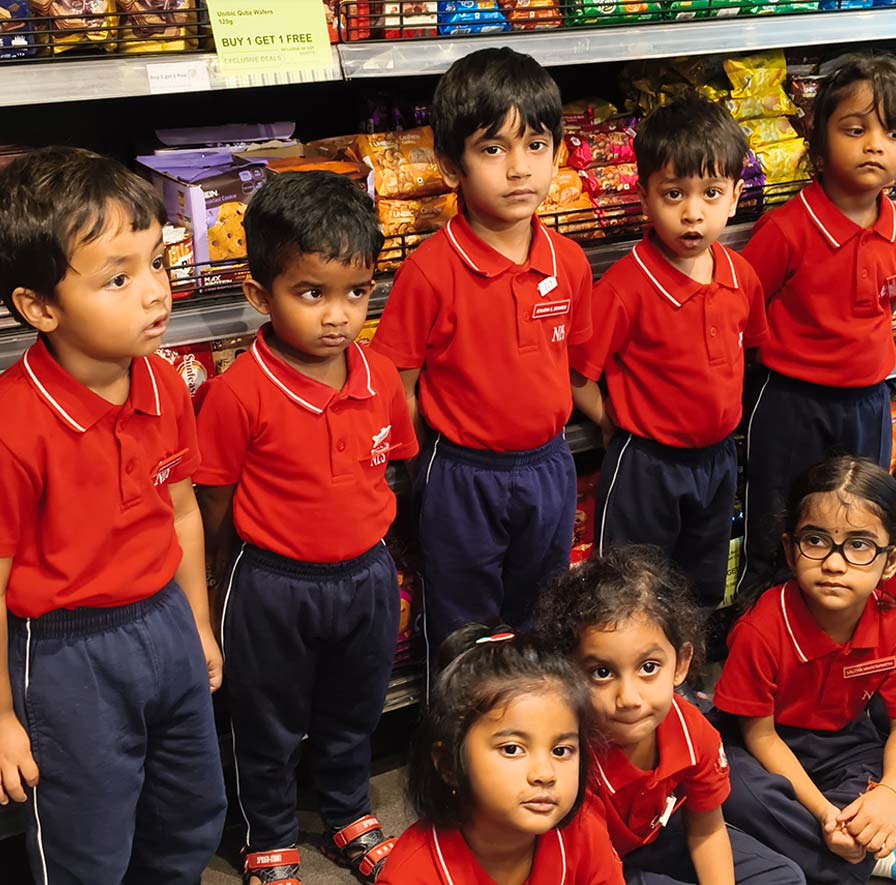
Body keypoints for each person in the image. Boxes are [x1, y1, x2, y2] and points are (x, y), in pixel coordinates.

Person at [0, 146, 225, 884]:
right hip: (66, 657)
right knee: (86, 837)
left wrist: (198, 624)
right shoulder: (5, 427)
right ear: (40, 307)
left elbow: (181, 511)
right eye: (118, 278)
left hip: (165, 623)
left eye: (157, 262)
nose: (154, 293)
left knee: (188, 811)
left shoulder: (165, 383)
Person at [195, 172, 417, 885]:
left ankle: (349, 811)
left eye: (357, 292)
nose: (338, 316)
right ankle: (268, 831)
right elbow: (215, 499)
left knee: (355, 708)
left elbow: (389, 470)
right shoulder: (238, 393)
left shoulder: (380, 376)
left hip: (365, 576)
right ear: (260, 294)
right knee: (267, 721)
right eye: (312, 293)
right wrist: (223, 576)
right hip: (273, 583)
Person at [370, 46, 594, 646]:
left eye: (536, 145)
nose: (519, 168)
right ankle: (460, 709)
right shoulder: (429, 272)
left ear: (558, 154)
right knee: (461, 627)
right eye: (493, 149)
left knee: (543, 617)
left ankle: (536, 709)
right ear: (451, 165)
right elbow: (399, 389)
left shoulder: (570, 263)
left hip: (549, 466)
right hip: (461, 474)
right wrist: (421, 473)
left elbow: (575, 367)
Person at [712, 457, 896, 885]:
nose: (835, 564)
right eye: (815, 541)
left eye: (860, 545)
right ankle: (876, 855)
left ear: (891, 561)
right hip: (764, 748)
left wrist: (890, 796)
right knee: (737, 793)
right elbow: (761, 737)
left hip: (843, 747)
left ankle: (811, 843)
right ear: (790, 549)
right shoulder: (760, 629)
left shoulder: (892, 619)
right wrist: (824, 812)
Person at [736, 51, 896, 600]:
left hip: (868, 401)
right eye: (855, 129)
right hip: (791, 401)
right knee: (780, 513)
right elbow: (741, 303)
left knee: (860, 511)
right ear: (818, 144)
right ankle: (764, 615)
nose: (875, 145)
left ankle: (847, 613)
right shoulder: (787, 230)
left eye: (894, 132)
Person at [569, 100, 766, 611]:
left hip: (718, 459)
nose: (693, 213)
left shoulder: (741, 277)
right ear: (644, 197)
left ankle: (688, 661)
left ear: (735, 196)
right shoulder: (625, 288)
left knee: (702, 586)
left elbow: (749, 350)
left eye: (711, 193)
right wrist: (609, 420)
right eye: (674, 193)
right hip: (646, 465)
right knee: (628, 590)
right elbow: (575, 372)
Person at [535, 548, 803, 885]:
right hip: (594, 867)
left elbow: (707, 829)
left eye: (648, 667)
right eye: (602, 673)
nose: (629, 698)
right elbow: (588, 869)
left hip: (658, 837)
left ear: (681, 664)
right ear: (569, 674)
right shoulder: (569, 757)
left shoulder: (693, 732)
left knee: (783, 877)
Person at [381, 625, 625, 885]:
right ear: (449, 764)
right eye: (512, 749)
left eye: (561, 751)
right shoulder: (410, 876)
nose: (545, 774)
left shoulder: (584, 831)